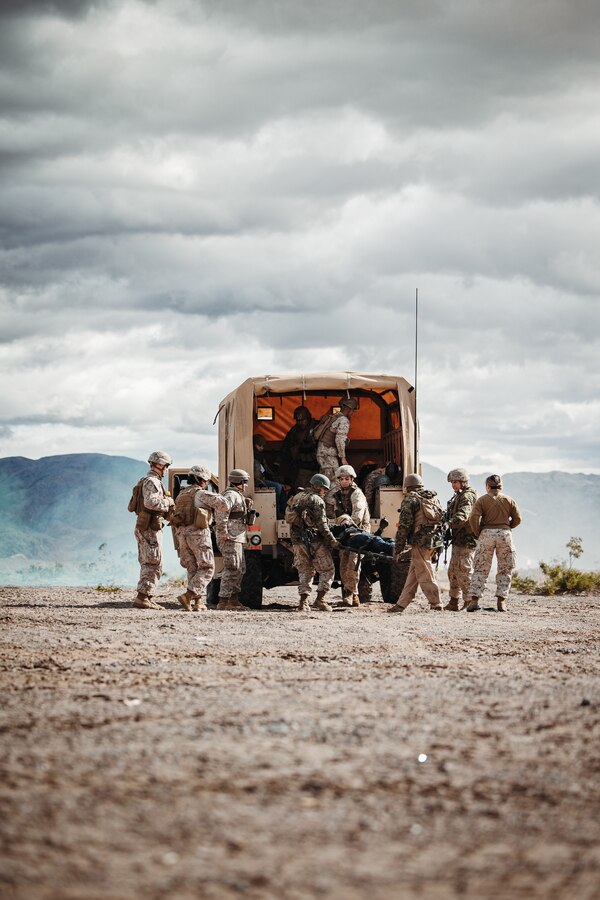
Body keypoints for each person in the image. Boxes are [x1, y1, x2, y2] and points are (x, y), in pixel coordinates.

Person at [172, 465, 228, 612]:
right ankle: (188, 596)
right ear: (201, 479)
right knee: (207, 567)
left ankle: (198, 603)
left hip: (182, 534)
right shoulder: (200, 493)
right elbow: (224, 504)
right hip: (197, 534)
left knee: (193, 568)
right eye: (206, 481)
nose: (206, 483)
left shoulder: (181, 495)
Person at [388, 474, 444, 614]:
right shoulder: (432, 498)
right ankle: (401, 604)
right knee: (413, 573)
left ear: (406, 487)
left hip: (420, 541)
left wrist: (398, 549)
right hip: (434, 540)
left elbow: (404, 527)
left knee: (425, 573)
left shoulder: (410, 499)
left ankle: (436, 603)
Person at [467, 475, 522, 612]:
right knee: (505, 568)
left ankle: (474, 601)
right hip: (505, 534)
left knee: (480, 567)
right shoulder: (509, 500)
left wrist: (478, 532)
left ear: (487, 486)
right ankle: (501, 602)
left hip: (486, 534)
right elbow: (518, 519)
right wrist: (507, 526)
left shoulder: (482, 500)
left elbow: (473, 517)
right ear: (501, 486)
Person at [287, 473, 339, 612]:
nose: (325, 492)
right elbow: (322, 524)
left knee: (304, 570)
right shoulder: (317, 500)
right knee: (328, 569)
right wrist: (332, 541)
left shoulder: (297, 497)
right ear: (318, 487)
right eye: (324, 489)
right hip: (314, 540)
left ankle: (303, 602)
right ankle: (320, 600)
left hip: (297, 541)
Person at [131, 450, 175, 610]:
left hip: (149, 526)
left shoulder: (149, 480)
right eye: (166, 466)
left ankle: (147, 596)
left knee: (151, 561)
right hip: (149, 527)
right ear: (160, 464)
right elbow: (151, 503)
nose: (166, 469)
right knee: (153, 562)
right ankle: (142, 597)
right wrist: (168, 502)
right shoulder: (152, 481)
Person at [213, 469, 254, 611]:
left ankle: (233, 600)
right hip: (230, 536)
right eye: (245, 482)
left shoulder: (236, 495)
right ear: (240, 482)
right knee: (232, 567)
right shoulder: (231, 495)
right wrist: (223, 532)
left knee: (239, 568)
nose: (246, 485)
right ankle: (224, 601)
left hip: (236, 536)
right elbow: (221, 512)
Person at [331, 464, 370, 607]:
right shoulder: (338, 495)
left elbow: (358, 516)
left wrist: (347, 525)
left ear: (352, 479)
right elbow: (335, 513)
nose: (344, 481)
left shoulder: (357, 494)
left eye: (347, 478)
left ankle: (351, 595)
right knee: (343, 562)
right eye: (342, 479)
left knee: (353, 563)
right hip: (346, 532)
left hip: (358, 531)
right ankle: (351, 595)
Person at [444, 468, 478, 612]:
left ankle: (469, 601)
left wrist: (448, 523)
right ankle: (453, 601)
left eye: (456, 482)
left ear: (463, 482)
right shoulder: (459, 495)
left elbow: (463, 516)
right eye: (452, 482)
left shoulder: (467, 496)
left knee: (463, 570)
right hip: (459, 539)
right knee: (453, 571)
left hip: (467, 540)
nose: (453, 485)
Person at [315, 396, 358, 487]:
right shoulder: (343, 420)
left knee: (324, 480)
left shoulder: (334, 417)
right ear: (350, 409)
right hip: (328, 454)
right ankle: (330, 501)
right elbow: (339, 439)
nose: (353, 413)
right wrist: (343, 457)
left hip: (322, 452)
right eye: (353, 410)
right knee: (334, 482)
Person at [280, 405, 318, 490]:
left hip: (317, 464)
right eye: (298, 420)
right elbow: (286, 447)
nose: (300, 422)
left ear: (308, 418)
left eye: (302, 420)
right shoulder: (294, 431)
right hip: (303, 466)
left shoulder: (317, 426)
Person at [253, 434, 287, 518]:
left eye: (263, 446)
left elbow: (267, 470)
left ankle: (284, 511)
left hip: (262, 479)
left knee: (281, 487)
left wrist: (277, 479)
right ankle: (277, 513)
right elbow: (257, 476)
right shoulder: (253, 456)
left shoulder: (260, 456)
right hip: (257, 482)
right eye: (259, 445)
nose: (262, 448)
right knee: (278, 487)